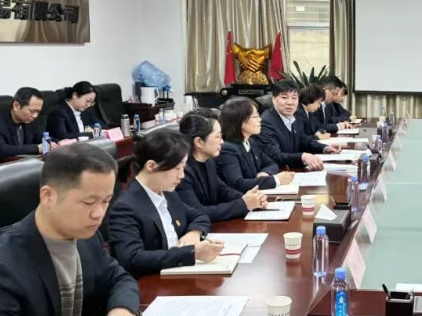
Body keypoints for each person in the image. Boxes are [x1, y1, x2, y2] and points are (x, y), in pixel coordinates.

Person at [0, 143, 144, 316]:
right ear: (48, 196)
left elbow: (119, 278)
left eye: (106, 201)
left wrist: (122, 310)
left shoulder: (87, 236)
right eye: (89, 202)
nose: (99, 214)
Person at [108, 129, 221, 277]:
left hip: (178, 273)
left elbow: (199, 216)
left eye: (183, 168)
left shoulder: (167, 193)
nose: (182, 175)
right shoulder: (125, 207)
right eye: (177, 168)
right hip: (152, 282)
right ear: (151, 166)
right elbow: (132, 258)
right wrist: (192, 253)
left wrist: (194, 233)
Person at [176, 109, 268, 222]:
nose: (222, 142)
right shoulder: (180, 171)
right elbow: (197, 212)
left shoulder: (208, 161)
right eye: (218, 136)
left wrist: (252, 198)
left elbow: (223, 190)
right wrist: (243, 204)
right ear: (198, 142)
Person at [257, 80, 341, 171]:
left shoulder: (294, 117)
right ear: (273, 99)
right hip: (278, 173)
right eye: (284, 97)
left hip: (293, 170)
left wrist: (325, 148)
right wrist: (302, 157)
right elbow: (275, 156)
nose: (290, 102)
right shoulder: (265, 122)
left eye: (294, 98)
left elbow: (303, 140)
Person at [216, 97, 294, 193]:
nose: (260, 119)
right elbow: (237, 184)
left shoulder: (251, 142)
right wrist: (276, 180)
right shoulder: (227, 149)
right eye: (255, 116)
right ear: (241, 122)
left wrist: (265, 173)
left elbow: (272, 164)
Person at [0, 86, 47, 160]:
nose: (35, 116)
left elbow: (39, 137)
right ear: (16, 106)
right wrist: (36, 148)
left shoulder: (30, 120)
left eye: (38, 112)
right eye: (32, 111)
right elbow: (1, 149)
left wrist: (55, 142)